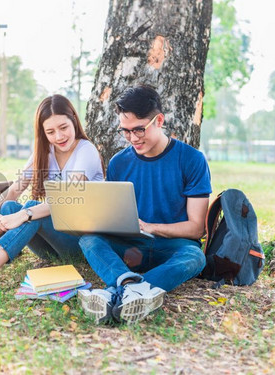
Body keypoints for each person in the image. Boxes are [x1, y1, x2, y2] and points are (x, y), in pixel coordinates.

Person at [0, 94, 104, 295]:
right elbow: (15, 189)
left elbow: (67, 199)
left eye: (63, 127)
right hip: (50, 247)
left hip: (80, 243)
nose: (59, 136)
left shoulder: (86, 151)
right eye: (50, 131)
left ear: (74, 119)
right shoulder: (45, 152)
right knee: (8, 207)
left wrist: (25, 214)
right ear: (43, 133)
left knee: (29, 210)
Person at [77, 85, 211, 324]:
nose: (132, 138)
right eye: (125, 131)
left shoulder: (192, 160)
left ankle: (116, 293)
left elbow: (196, 228)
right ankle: (131, 287)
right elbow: (113, 213)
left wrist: (151, 227)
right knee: (89, 240)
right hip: (131, 245)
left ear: (159, 121)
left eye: (139, 129)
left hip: (174, 246)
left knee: (195, 258)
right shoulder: (119, 162)